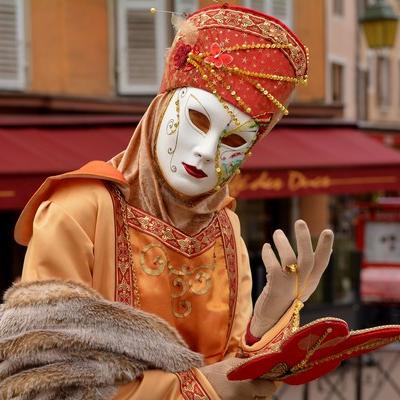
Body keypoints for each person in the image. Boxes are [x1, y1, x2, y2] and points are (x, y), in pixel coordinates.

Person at [12, 3, 333, 399]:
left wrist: (270, 317)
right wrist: (200, 388)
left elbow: (236, 370)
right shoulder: (78, 212)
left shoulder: (224, 226)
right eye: (198, 119)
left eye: (233, 141)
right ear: (163, 105)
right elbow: (46, 382)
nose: (204, 151)